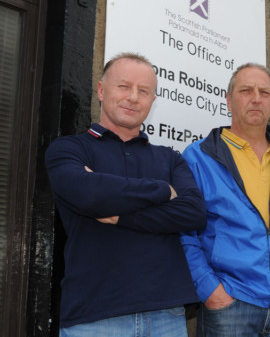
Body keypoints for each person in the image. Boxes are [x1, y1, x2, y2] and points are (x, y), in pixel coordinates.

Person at [44, 53, 207, 335]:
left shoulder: (169, 158)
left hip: (166, 315)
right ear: (101, 90)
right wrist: (162, 190)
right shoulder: (69, 149)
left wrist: (121, 217)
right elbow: (87, 195)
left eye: (143, 91)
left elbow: (194, 212)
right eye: (124, 86)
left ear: (152, 101)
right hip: (94, 317)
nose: (133, 97)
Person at [180, 63, 270, 336]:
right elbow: (184, 231)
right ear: (228, 100)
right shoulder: (198, 157)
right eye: (246, 90)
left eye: (264, 92)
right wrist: (210, 289)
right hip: (230, 303)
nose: (256, 98)